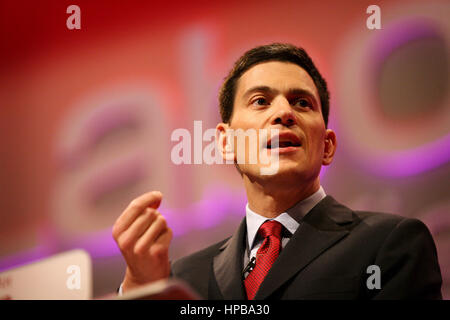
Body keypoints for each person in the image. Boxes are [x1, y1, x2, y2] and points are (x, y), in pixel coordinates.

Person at [112, 43, 442, 299]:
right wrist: (141, 286)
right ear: (226, 144)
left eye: (302, 103)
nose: (284, 113)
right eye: (260, 101)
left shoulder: (390, 244)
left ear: (327, 146)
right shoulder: (183, 279)